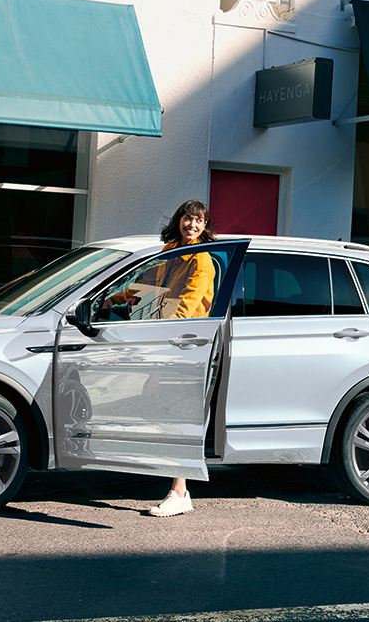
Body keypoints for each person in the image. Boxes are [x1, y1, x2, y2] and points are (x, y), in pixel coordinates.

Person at [146, 199, 218, 517]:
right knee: (163, 412)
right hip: (165, 340)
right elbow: (147, 288)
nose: (192, 225)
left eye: (199, 221)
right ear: (179, 220)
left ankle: (179, 491)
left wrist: (164, 335)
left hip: (185, 344)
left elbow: (188, 305)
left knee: (178, 416)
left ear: (205, 226)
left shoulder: (201, 259)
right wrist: (117, 303)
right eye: (188, 218)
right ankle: (177, 486)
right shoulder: (170, 251)